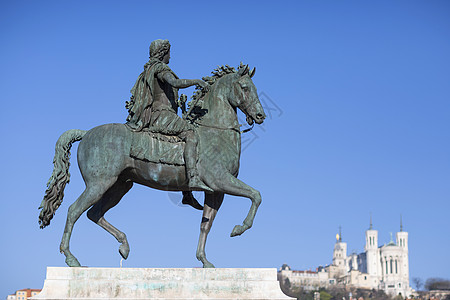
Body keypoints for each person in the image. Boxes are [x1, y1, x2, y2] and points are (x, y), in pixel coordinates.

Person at [125, 39, 211, 209]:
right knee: (192, 134)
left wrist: (181, 104)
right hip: (161, 115)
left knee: (181, 141)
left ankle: (186, 193)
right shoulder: (159, 68)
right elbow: (175, 83)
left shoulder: (148, 69)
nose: (170, 56)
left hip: (162, 113)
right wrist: (196, 81)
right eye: (169, 52)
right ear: (163, 53)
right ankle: (193, 177)